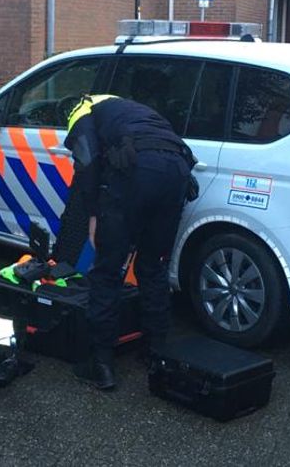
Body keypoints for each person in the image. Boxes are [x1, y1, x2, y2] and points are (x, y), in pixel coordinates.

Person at [64, 94, 196, 390]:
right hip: (177, 171)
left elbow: (87, 160)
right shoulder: (132, 108)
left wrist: (94, 214)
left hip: (137, 171)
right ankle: (156, 352)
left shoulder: (82, 108)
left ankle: (101, 363)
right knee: (153, 265)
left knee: (107, 271)